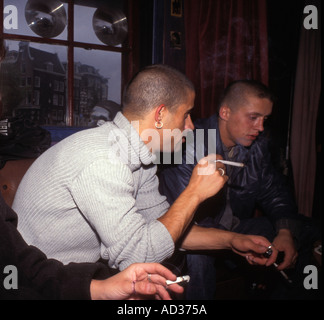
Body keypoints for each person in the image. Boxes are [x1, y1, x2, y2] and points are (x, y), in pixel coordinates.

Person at [13, 65, 274, 277]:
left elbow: (166, 230)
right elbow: (137, 256)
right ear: (160, 115)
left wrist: (233, 241)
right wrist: (194, 193)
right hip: (38, 282)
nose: (192, 126)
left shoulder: (143, 159)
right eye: (186, 115)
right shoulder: (104, 158)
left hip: (74, 276)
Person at [159, 80, 306, 299]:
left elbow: (273, 191)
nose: (261, 127)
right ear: (225, 112)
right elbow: (188, 220)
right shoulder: (188, 143)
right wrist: (234, 241)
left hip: (234, 225)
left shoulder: (256, 146)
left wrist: (285, 231)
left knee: (302, 230)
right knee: (198, 257)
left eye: (265, 119)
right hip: (195, 232)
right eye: (253, 117)